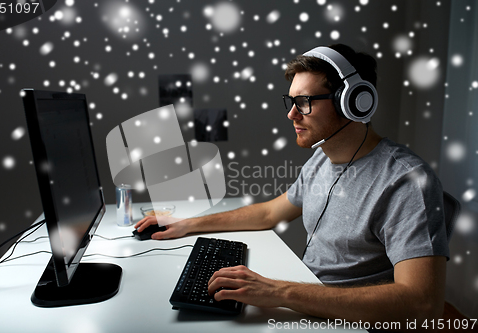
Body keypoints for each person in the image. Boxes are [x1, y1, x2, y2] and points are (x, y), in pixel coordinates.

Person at [135, 44, 449, 325]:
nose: (291, 114)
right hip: (306, 305)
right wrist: (187, 224)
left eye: (305, 102)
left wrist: (280, 291)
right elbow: (270, 213)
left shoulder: (406, 183)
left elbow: (422, 303)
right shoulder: (322, 158)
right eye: (291, 100)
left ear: (353, 102)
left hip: (348, 322)